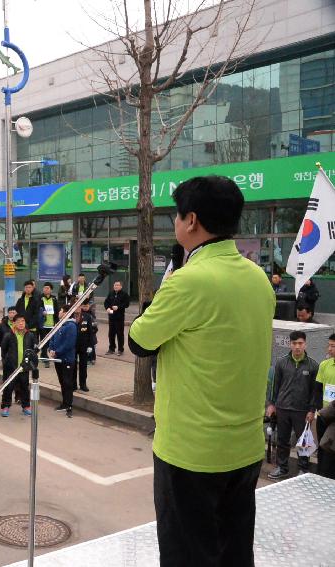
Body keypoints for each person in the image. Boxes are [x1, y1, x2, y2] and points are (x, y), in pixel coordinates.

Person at [128, 175, 275, 567]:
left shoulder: (187, 282)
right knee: (234, 553)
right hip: (245, 448)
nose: (174, 223)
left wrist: (163, 293)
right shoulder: (258, 278)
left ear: (191, 220)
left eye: (176, 215)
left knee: (187, 556)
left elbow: (140, 340)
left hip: (190, 454)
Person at [266, 330, 318, 479]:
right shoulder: (281, 363)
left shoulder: (313, 366)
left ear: (305, 344)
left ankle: (303, 469)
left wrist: (311, 410)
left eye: (300, 343)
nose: (297, 346)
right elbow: (275, 385)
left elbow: (314, 391)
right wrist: (271, 404)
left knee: (304, 441)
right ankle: (282, 468)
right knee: (282, 440)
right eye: (294, 343)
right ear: (290, 344)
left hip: (302, 411)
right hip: (282, 408)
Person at [0, 314, 37, 417]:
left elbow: (33, 350)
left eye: (23, 321)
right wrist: (6, 362)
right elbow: (4, 350)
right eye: (19, 321)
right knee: (8, 387)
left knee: (24, 388)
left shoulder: (30, 335)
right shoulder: (8, 335)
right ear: (14, 323)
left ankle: (26, 406)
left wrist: (30, 363)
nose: (21, 323)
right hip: (11, 367)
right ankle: (5, 406)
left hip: (24, 367)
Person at [48, 305, 77, 417]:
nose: (59, 312)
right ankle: (64, 403)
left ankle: (69, 405)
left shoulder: (71, 326)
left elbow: (69, 344)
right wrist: (50, 349)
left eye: (61, 310)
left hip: (66, 359)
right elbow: (52, 337)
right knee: (62, 381)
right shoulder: (59, 324)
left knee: (67, 382)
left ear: (66, 313)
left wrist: (57, 351)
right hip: (58, 358)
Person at [315, 334, 335, 478]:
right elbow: (317, 389)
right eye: (329, 345)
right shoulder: (324, 364)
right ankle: (320, 475)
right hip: (324, 415)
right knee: (322, 447)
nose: (330, 349)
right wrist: (318, 412)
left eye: (333, 346)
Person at [74, 302, 97, 392]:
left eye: (79, 306)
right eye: (75, 306)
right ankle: (73, 384)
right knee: (73, 366)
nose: (77, 308)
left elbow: (90, 332)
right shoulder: (70, 316)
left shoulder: (87, 316)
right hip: (73, 345)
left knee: (83, 366)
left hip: (84, 345)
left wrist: (91, 345)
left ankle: (83, 384)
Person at [104, 281, 130, 356]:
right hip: (111, 317)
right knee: (111, 334)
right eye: (115, 285)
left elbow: (127, 304)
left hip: (119, 317)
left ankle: (120, 349)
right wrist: (107, 308)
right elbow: (106, 302)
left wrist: (118, 307)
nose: (116, 286)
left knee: (120, 334)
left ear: (121, 286)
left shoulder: (124, 294)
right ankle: (111, 348)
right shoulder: (111, 293)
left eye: (118, 285)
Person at [38, 282, 59, 368]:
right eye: (45, 288)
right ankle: (45, 358)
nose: (46, 289)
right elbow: (37, 308)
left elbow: (57, 310)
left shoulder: (54, 299)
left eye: (48, 288)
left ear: (51, 290)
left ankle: (47, 356)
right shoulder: (40, 298)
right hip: (43, 324)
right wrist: (41, 312)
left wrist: (57, 322)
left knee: (51, 342)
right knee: (44, 342)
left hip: (52, 324)